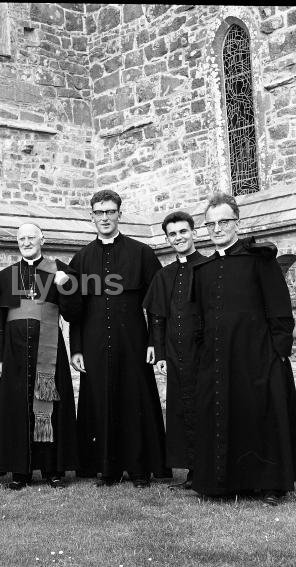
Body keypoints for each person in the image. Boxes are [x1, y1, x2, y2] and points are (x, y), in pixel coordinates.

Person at [191, 193, 296, 505]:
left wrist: (277, 353)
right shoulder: (203, 270)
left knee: (261, 415)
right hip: (218, 358)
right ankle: (224, 485)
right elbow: (199, 318)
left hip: (258, 356)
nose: (217, 228)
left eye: (224, 221)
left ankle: (270, 486)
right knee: (222, 414)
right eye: (211, 224)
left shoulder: (258, 260)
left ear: (237, 222)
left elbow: (280, 310)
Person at [69, 189, 167, 487]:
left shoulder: (142, 253)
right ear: (92, 216)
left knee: (134, 401)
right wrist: (77, 348)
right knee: (101, 403)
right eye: (99, 212)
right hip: (95, 344)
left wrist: (154, 342)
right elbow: (75, 310)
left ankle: (139, 470)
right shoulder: (81, 258)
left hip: (134, 343)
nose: (105, 217)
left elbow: (158, 304)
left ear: (119, 214)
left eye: (110, 211)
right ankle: (107, 469)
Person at [0, 223, 82, 489]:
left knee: (52, 408)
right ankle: (21, 472)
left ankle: (53, 470)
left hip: (49, 351)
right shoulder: (6, 276)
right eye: (21, 238)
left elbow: (73, 314)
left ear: (43, 239)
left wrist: (66, 287)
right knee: (17, 410)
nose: (26, 242)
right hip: (14, 351)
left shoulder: (60, 271)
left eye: (31, 237)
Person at [143, 211, 206, 489]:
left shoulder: (209, 266)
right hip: (175, 353)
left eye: (183, 231)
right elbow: (157, 318)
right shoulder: (164, 274)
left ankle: (207, 470)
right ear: (167, 239)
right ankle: (192, 471)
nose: (178, 238)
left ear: (193, 232)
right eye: (173, 234)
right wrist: (160, 353)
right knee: (181, 411)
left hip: (204, 353)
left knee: (206, 409)